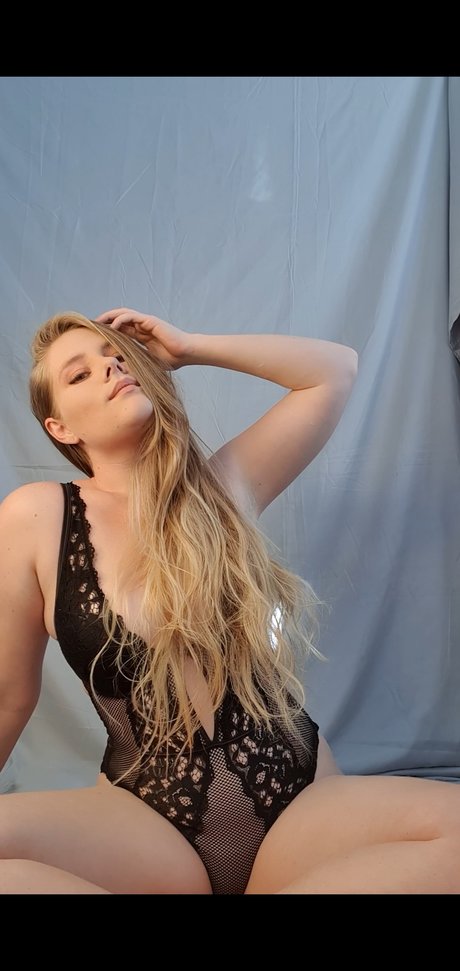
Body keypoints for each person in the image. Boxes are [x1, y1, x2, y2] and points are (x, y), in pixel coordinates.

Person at [0, 308, 459, 895]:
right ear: (60, 428)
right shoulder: (39, 516)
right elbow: (10, 696)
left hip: (295, 804)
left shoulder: (223, 488)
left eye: (117, 356)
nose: (111, 368)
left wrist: (188, 347)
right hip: (146, 822)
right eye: (80, 373)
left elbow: (333, 370)